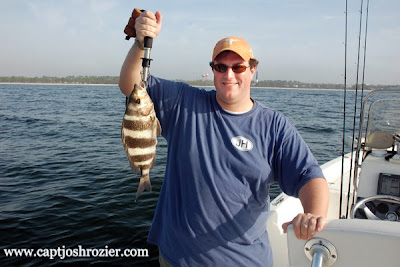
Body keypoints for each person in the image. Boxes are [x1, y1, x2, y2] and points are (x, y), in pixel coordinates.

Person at [119, 10, 329, 267]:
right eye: (221, 67)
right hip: (176, 259)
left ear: (253, 70)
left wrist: (313, 215)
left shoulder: (274, 126)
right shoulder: (184, 104)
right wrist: (141, 42)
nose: (229, 74)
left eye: (238, 67)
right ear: (213, 70)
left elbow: (310, 176)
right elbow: (131, 86)